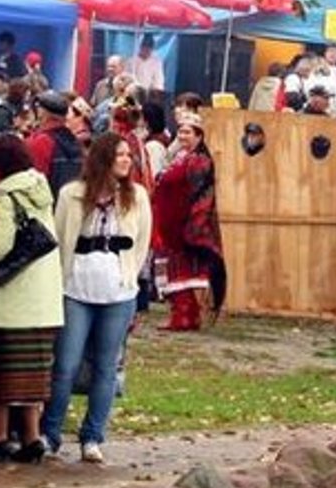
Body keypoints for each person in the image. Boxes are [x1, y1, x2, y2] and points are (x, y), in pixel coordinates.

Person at [43, 132, 150, 462]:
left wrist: (130, 278)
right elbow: (60, 237)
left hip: (117, 289)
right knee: (66, 364)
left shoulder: (137, 197)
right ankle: (50, 432)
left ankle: (92, 436)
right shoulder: (71, 195)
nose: (125, 159)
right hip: (76, 287)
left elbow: (142, 241)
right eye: (118, 154)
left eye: (127, 155)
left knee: (107, 366)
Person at [0, 134, 63, 463]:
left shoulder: (1, 198)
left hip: (9, 301)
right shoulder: (41, 191)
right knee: (33, 374)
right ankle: (32, 436)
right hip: (43, 302)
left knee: (0, 373)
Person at [152, 115, 225, 331]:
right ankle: (186, 315)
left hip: (183, 224)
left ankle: (184, 316)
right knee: (173, 268)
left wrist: (194, 223)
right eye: (180, 131)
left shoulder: (199, 160)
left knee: (182, 270)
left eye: (188, 132)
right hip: (169, 223)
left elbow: (198, 194)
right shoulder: (182, 156)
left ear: (199, 136)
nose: (182, 136)